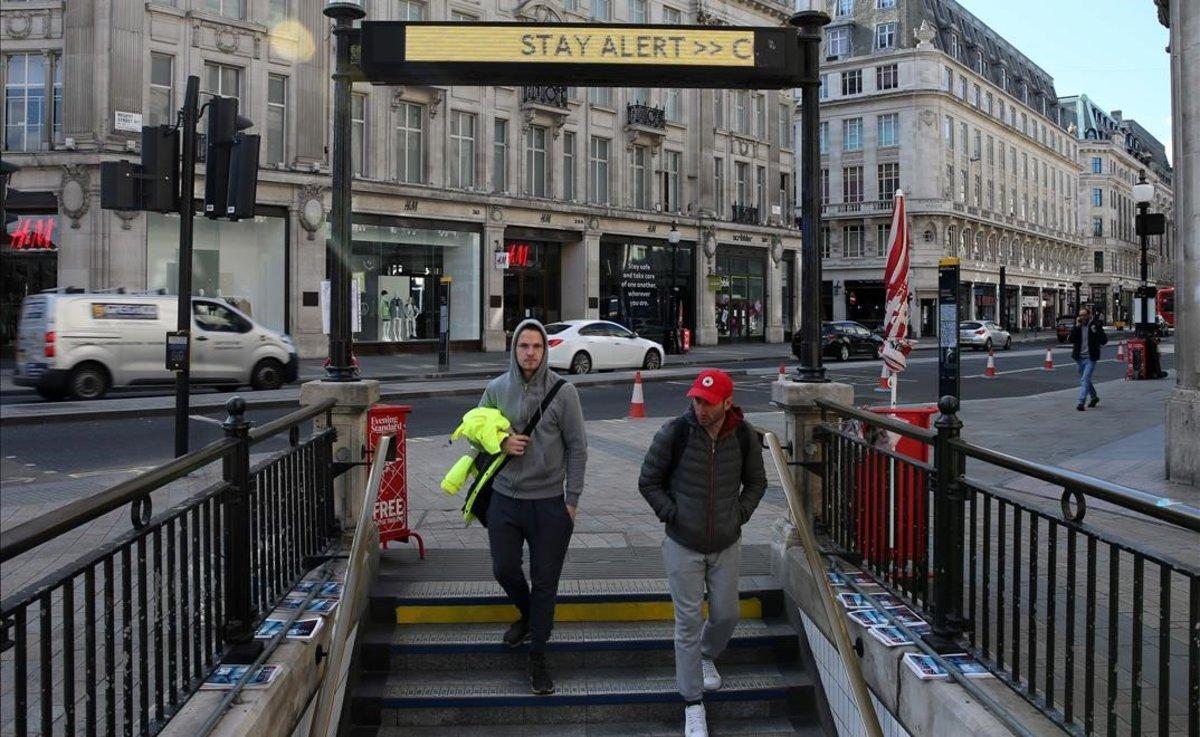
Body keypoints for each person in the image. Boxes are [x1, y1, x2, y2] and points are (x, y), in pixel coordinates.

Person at [637, 369, 767, 737]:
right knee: (687, 623)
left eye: (707, 403)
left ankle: (707, 655)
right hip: (682, 543)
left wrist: (738, 515)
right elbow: (649, 480)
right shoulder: (675, 432)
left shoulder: (743, 435)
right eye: (696, 400)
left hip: (726, 542)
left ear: (727, 402)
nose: (700, 408)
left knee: (727, 614)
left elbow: (757, 482)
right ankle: (692, 704)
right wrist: (671, 513)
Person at [477, 319, 587, 695]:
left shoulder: (563, 392)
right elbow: (474, 433)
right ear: (514, 349)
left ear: (545, 350)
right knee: (504, 567)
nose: (529, 353)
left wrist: (572, 500)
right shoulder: (495, 389)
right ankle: (528, 615)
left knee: (545, 583)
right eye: (523, 346)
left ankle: (537, 659)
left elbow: (578, 447)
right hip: (506, 500)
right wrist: (501, 442)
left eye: (536, 347)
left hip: (549, 505)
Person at [1069, 306, 1107, 411]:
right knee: (1086, 379)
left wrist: (1095, 331)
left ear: (1089, 315)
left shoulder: (1095, 325)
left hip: (1091, 357)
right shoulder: (1078, 326)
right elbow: (1070, 339)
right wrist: (1076, 326)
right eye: (1080, 315)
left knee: (1085, 379)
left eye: (1084, 315)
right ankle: (1094, 397)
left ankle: (1081, 402)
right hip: (1079, 358)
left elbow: (1104, 340)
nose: (1082, 317)